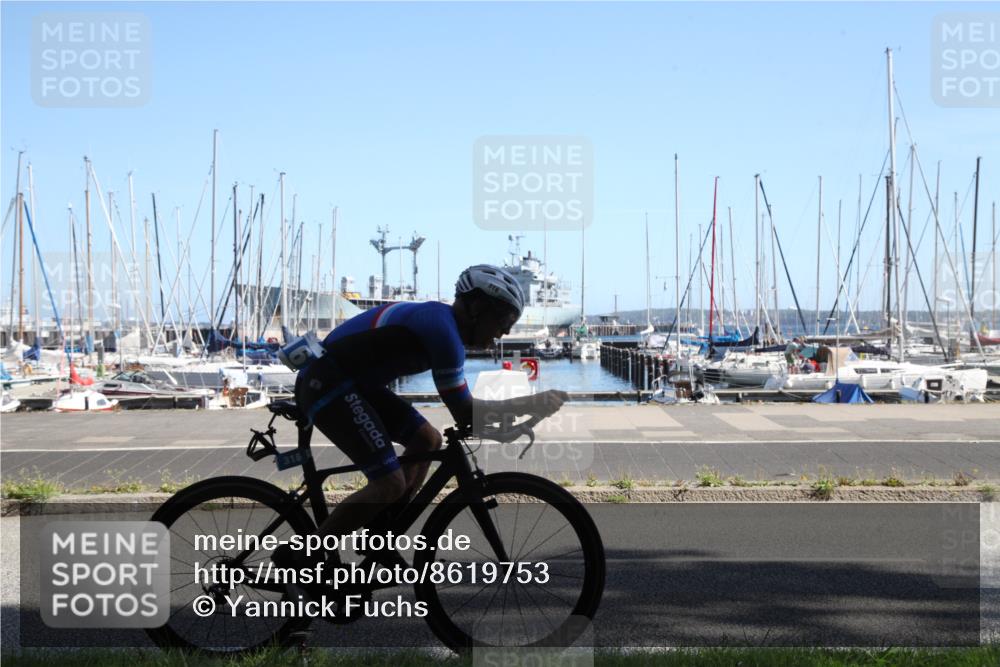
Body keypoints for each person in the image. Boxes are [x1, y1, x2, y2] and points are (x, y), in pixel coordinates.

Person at [273, 264, 567, 573]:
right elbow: (465, 412)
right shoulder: (442, 331)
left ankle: (380, 536)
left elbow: (468, 415)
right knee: (388, 483)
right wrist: (531, 403)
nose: (506, 331)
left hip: (351, 383)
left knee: (427, 440)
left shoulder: (444, 326)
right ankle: (301, 559)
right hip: (327, 384)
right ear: (478, 307)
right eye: (505, 320)